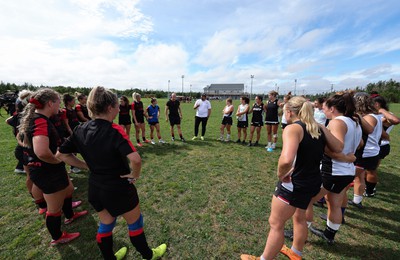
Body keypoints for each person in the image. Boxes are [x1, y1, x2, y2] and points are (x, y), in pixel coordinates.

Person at [57, 86, 167, 260]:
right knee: (135, 223)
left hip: (95, 188)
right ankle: (149, 255)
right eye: (117, 104)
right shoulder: (114, 129)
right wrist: (135, 174)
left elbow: (61, 154)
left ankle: (110, 258)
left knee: (106, 223)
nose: (119, 107)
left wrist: (87, 166)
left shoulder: (80, 129)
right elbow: (136, 159)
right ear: (110, 108)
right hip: (118, 188)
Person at [240, 96, 341, 260]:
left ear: (289, 112)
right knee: (300, 218)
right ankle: (296, 253)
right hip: (313, 182)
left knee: (276, 224)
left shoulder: (294, 128)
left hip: (294, 184)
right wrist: (321, 127)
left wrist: (281, 174)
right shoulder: (316, 128)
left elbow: (286, 159)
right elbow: (338, 147)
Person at [18, 88, 87, 245]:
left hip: (49, 168)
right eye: (58, 102)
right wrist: (57, 160)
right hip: (46, 170)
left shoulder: (38, 118)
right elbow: (42, 152)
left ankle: (70, 216)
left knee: (69, 189)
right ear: (50, 103)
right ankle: (57, 237)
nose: (60, 105)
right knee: (54, 208)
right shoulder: (40, 120)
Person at [306, 93, 362, 244]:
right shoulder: (354, 121)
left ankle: (300, 232)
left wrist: (341, 155)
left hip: (333, 171)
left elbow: (337, 148)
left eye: (325, 108)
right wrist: (349, 156)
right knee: (334, 204)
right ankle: (329, 235)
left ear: (333, 108)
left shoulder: (337, 122)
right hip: (347, 171)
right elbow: (361, 143)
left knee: (306, 200)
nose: (323, 111)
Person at [350, 92, 382, 208]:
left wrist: (358, 117)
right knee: (359, 177)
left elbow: (369, 130)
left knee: (346, 178)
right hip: (371, 152)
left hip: (366, 153)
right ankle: (357, 201)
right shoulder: (374, 116)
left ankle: (335, 206)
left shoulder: (369, 117)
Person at [365, 95, 399, 196]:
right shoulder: (372, 115)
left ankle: (370, 190)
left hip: (381, 146)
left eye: (370, 104)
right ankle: (368, 187)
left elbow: (395, 120)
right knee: (368, 169)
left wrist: (381, 110)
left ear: (376, 104)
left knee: (371, 170)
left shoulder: (386, 115)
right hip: (375, 145)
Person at [63, 93, 81, 174]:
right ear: (68, 102)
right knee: (70, 150)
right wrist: (71, 132)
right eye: (73, 101)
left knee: (75, 149)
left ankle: (74, 166)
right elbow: (66, 124)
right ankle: (72, 167)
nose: (74, 102)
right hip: (70, 132)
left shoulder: (73, 110)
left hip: (75, 131)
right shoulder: (64, 111)